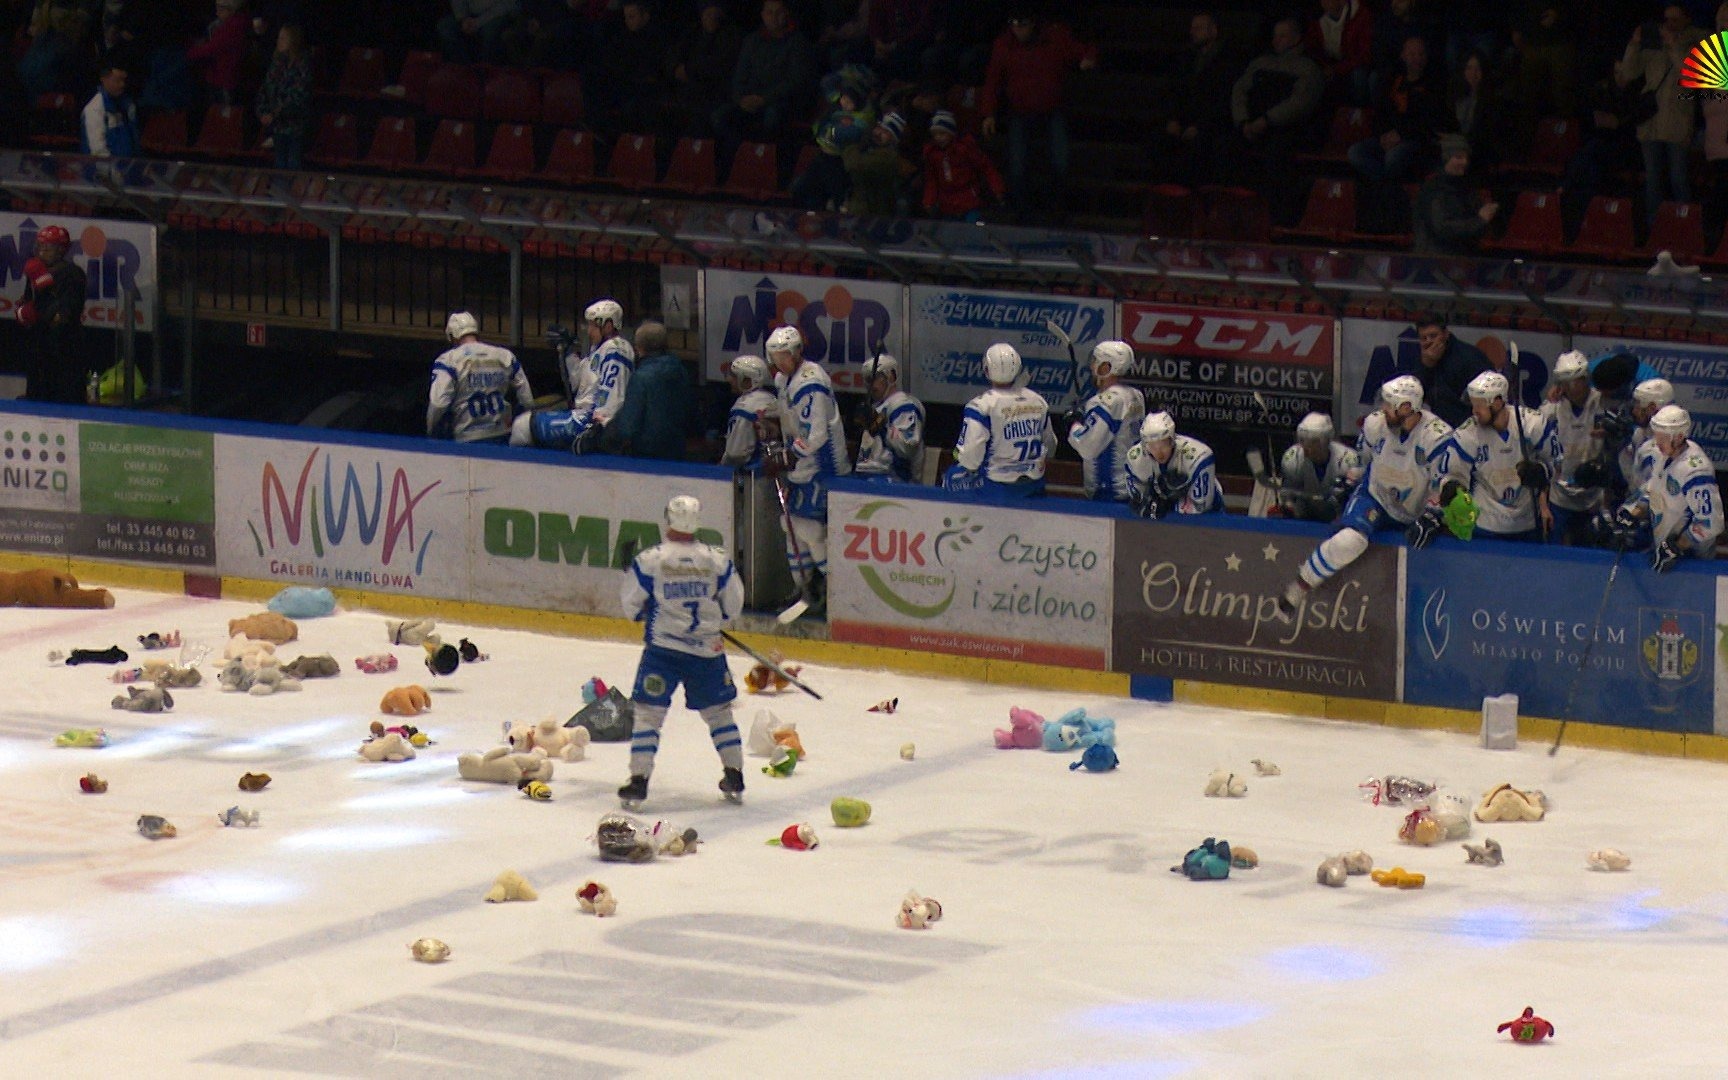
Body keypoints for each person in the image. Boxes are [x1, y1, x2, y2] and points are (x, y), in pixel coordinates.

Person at [1280, 375, 1461, 615]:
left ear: (1407, 407)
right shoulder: (1375, 425)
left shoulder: (1436, 435)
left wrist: (1432, 513)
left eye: (1389, 404)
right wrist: (1348, 482)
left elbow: (1444, 483)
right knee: (1350, 540)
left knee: (1416, 567)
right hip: (1375, 496)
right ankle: (1300, 586)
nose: (1382, 409)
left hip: (1413, 508)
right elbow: (1363, 462)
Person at [616, 495, 747, 808]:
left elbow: (631, 605)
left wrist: (645, 610)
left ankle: (639, 781)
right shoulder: (717, 560)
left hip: (663, 651)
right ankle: (735, 774)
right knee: (719, 713)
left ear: (667, 518)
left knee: (649, 714)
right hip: (708, 652)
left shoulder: (650, 560)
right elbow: (733, 605)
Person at [979, 7, 1098, 222]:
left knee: (1060, 162)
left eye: (1022, 24)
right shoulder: (1003, 45)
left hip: (1052, 110)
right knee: (1017, 165)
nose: (1017, 30)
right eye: (1013, 24)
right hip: (1020, 112)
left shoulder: (1055, 38)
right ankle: (1021, 212)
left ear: (1033, 23)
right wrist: (988, 113)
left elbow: (1085, 50)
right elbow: (992, 81)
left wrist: (1088, 58)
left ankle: (1056, 207)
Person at [765, 325, 848, 612]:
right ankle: (803, 589)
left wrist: (788, 456)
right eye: (774, 356)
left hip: (823, 468)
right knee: (791, 529)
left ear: (797, 353)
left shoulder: (811, 381)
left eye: (783, 355)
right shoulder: (782, 379)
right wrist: (770, 423)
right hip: (801, 467)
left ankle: (830, 589)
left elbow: (817, 435)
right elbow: (790, 417)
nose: (778, 361)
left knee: (810, 529)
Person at [1448, 370, 1562, 541]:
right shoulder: (1467, 433)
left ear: (1497, 402)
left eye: (1479, 405)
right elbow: (1453, 475)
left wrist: (1542, 472)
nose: (1474, 411)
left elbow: (1557, 462)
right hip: (1484, 524)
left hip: (1527, 522)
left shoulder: (1532, 424)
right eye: (1473, 405)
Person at [1618, 8, 1706, 223]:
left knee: (1678, 179)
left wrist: (1674, 45)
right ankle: (1654, 227)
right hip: (1651, 123)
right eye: (1667, 19)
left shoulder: (1697, 42)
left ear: (1686, 19)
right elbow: (1629, 73)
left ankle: (1685, 224)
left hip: (1677, 123)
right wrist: (1634, 43)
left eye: (1675, 19)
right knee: (1653, 180)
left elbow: (1692, 75)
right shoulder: (1653, 44)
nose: (1670, 24)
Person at [510, 299, 634, 451]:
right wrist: (567, 351)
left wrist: (601, 425)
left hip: (591, 422)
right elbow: (577, 383)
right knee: (522, 423)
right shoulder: (598, 350)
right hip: (583, 416)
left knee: (522, 427)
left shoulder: (616, 348)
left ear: (608, 326)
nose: (589, 331)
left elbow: (613, 389)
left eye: (593, 326)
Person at [1608, 405, 1722, 569]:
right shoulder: (1665, 455)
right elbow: (1654, 488)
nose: (1657, 443)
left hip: (1692, 558)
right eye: (1656, 436)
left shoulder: (1696, 471)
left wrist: (1677, 546)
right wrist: (1635, 512)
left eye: (1663, 438)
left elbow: (1710, 521)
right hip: (1664, 547)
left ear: (1679, 436)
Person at [943, 343, 1056, 498]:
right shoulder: (1038, 401)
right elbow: (1050, 446)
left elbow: (970, 460)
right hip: (1034, 484)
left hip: (997, 487)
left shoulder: (981, 406)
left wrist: (959, 455)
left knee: (951, 477)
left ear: (987, 370)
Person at [711, 0, 815, 145]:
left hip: (780, 102)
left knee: (772, 117)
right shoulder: (752, 41)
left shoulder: (798, 43)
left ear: (786, 14)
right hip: (750, 100)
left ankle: (765, 161)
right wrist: (741, 98)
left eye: (778, 12)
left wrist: (765, 99)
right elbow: (739, 76)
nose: (774, 17)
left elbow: (796, 81)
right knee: (720, 116)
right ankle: (737, 161)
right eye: (769, 12)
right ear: (763, 15)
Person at [427, 311, 534, 444]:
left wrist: (431, 430)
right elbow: (527, 399)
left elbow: (438, 404)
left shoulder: (448, 360)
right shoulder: (504, 356)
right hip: (502, 433)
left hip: (466, 436)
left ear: (452, 335)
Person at [18, 224, 90, 405]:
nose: (41, 252)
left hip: (64, 351)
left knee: (65, 400)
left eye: (47, 248)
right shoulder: (35, 272)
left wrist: (43, 303)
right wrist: (23, 313)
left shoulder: (73, 274)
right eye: (39, 247)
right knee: (36, 397)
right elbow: (28, 305)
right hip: (39, 350)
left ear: (60, 250)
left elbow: (64, 316)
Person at [1541, 351, 1607, 544]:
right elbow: (1539, 458)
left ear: (1586, 378)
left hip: (1593, 498)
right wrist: (1543, 505)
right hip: (1559, 498)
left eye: (1576, 380)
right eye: (1566, 382)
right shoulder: (1550, 411)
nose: (1572, 387)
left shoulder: (1603, 403)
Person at [1066, 340, 1144, 503]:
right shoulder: (1135, 395)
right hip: (1132, 486)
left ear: (1107, 367)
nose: (1092, 367)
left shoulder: (1105, 402)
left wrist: (1075, 424)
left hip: (1109, 491)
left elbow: (1088, 447)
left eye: (1096, 361)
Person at [604, 321, 692, 461]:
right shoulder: (681, 371)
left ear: (639, 348)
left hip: (647, 456)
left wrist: (607, 426)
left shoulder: (641, 378)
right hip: (677, 451)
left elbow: (628, 427)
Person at [1412, 135, 1499, 256]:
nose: (1464, 162)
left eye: (1466, 158)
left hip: (1461, 258)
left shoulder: (1466, 188)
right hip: (1436, 260)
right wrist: (1480, 221)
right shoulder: (1433, 189)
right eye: (1458, 157)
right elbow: (1442, 228)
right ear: (1445, 159)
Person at [1125, 411, 1222, 518]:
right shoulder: (1135, 458)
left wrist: (1166, 504)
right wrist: (1152, 504)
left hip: (1207, 520)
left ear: (1172, 439)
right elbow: (1138, 501)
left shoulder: (1198, 456)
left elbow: (1202, 506)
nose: (1159, 452)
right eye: (1152, 445)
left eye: (1163, 444)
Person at [1410, 311, 1491, 428]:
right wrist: (1427, 365)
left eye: (1433, 336)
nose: (1428, 342)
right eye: (1424, 338)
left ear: (1446, 334)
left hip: (1470, 428)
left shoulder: (1469, 357)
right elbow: (1416, 395)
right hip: (1438, 427)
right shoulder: (1423, 358)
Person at [920, 109, 1005, 221]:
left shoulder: (965, 149)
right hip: (947, 204)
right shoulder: (932, 154)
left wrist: (997, 188)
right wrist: (928, 201)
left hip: (969, 201)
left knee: (972, 227)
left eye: (942, 133)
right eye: (935, 134)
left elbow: (986, 167)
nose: (938, 138)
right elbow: (931, 180)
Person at [1276, 411, 1361, 522]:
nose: (1308, 447)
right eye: (1303, 440)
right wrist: (1288, 506)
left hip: (1339, 522)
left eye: (1314, 442)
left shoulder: (1347, 460)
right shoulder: (1293, 459)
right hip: (1303, 521)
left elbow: (1355, 500)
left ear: (1327, 440)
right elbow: (1290, 498)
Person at [853, 353, 926, 483]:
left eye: (874, 378)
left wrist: (880, 426)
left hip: (894, 481)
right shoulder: (877, 407)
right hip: (868, 475)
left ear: (890, 377)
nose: (869, 385)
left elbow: (907, 447)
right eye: (867, 380)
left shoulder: (904, 405)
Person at [255, 24, 311, 170]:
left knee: (292, 164)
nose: (278, 41)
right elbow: (265, 91)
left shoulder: (303, 65)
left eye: (283, 38)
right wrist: (263, 112)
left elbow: (298, 96)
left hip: (295, 126)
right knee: (279, 164)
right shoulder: (276, 64)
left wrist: (275, 114)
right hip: (278, 127)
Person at [1305, 0, 1373, 106]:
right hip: (1328, 65)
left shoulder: (1360, 15)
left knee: (1358, 75)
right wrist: (1324, 66)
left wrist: (1337, 69)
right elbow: (1312, 48)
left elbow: (1364, 54)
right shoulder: (1317, 18)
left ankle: (1359, 113)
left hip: (1353, 65)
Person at [843, 111, 909, 216]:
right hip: (860, 208)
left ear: (893, 138)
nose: (878, 133)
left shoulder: (888, 157)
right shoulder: (870, 147)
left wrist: (851, 145)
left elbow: (853, 164)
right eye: (879, 128)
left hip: (873, 213)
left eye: (886, 132)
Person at [186, 0, 249, 106]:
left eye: (221, 9)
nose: (217, 12)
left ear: (231, 10)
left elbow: (213, 48)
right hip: (220, 76)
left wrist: (189, 53)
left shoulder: (232, 27)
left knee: (223, 115)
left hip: (224, 79)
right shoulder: (228, 24)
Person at [719, 354, 776, 470]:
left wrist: (721, 469)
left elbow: (736, 452)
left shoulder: (743, 408)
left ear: (747, 379)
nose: (729, 379)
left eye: (735, 376)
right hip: (776, 468)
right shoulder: (772, 399)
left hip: (752, 475)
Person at [80, 63, 140, 159]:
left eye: (124, 80)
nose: (122, 85)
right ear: (104, 79)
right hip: (102, 171)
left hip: (129, 167)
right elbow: (98, 151)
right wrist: (115, 173)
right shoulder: (94, 109)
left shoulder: (128, 105)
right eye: (117, 81)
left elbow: (134, 141)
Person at [438, 0, 520, 64]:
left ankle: (486, 70)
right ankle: (462, 69)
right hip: (470, 15)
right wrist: (463, 18)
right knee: (445, 27)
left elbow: (507, 5)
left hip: (497, 14)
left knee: (490, 32)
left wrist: (478, 22)